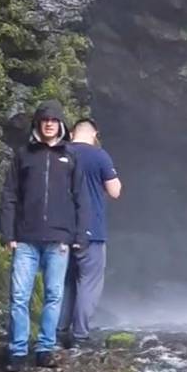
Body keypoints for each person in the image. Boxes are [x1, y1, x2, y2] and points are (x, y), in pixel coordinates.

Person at [0, 99, 89, 372]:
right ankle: (17, 352)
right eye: (44, 120)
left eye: (54, 120)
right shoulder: (23, 155)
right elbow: (10, 195)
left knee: (53, 296)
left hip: (59, 238)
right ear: (38, 124)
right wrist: (7, 232)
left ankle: (45, 349)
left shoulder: (71, 157)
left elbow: (80, 199)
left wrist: (79, 235)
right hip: (26, 237)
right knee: (19, 296)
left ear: (61, 124)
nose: (49, 124)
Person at [60, 118, 122, 348]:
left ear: (71, 133)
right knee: (88, 282)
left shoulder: (59, 152)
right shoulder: (99, 155)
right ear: (95, 134)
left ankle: (58, 333)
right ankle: (79, 336)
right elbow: (115, 191)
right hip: (92, 231)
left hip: (62, 231)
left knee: (64, 283)